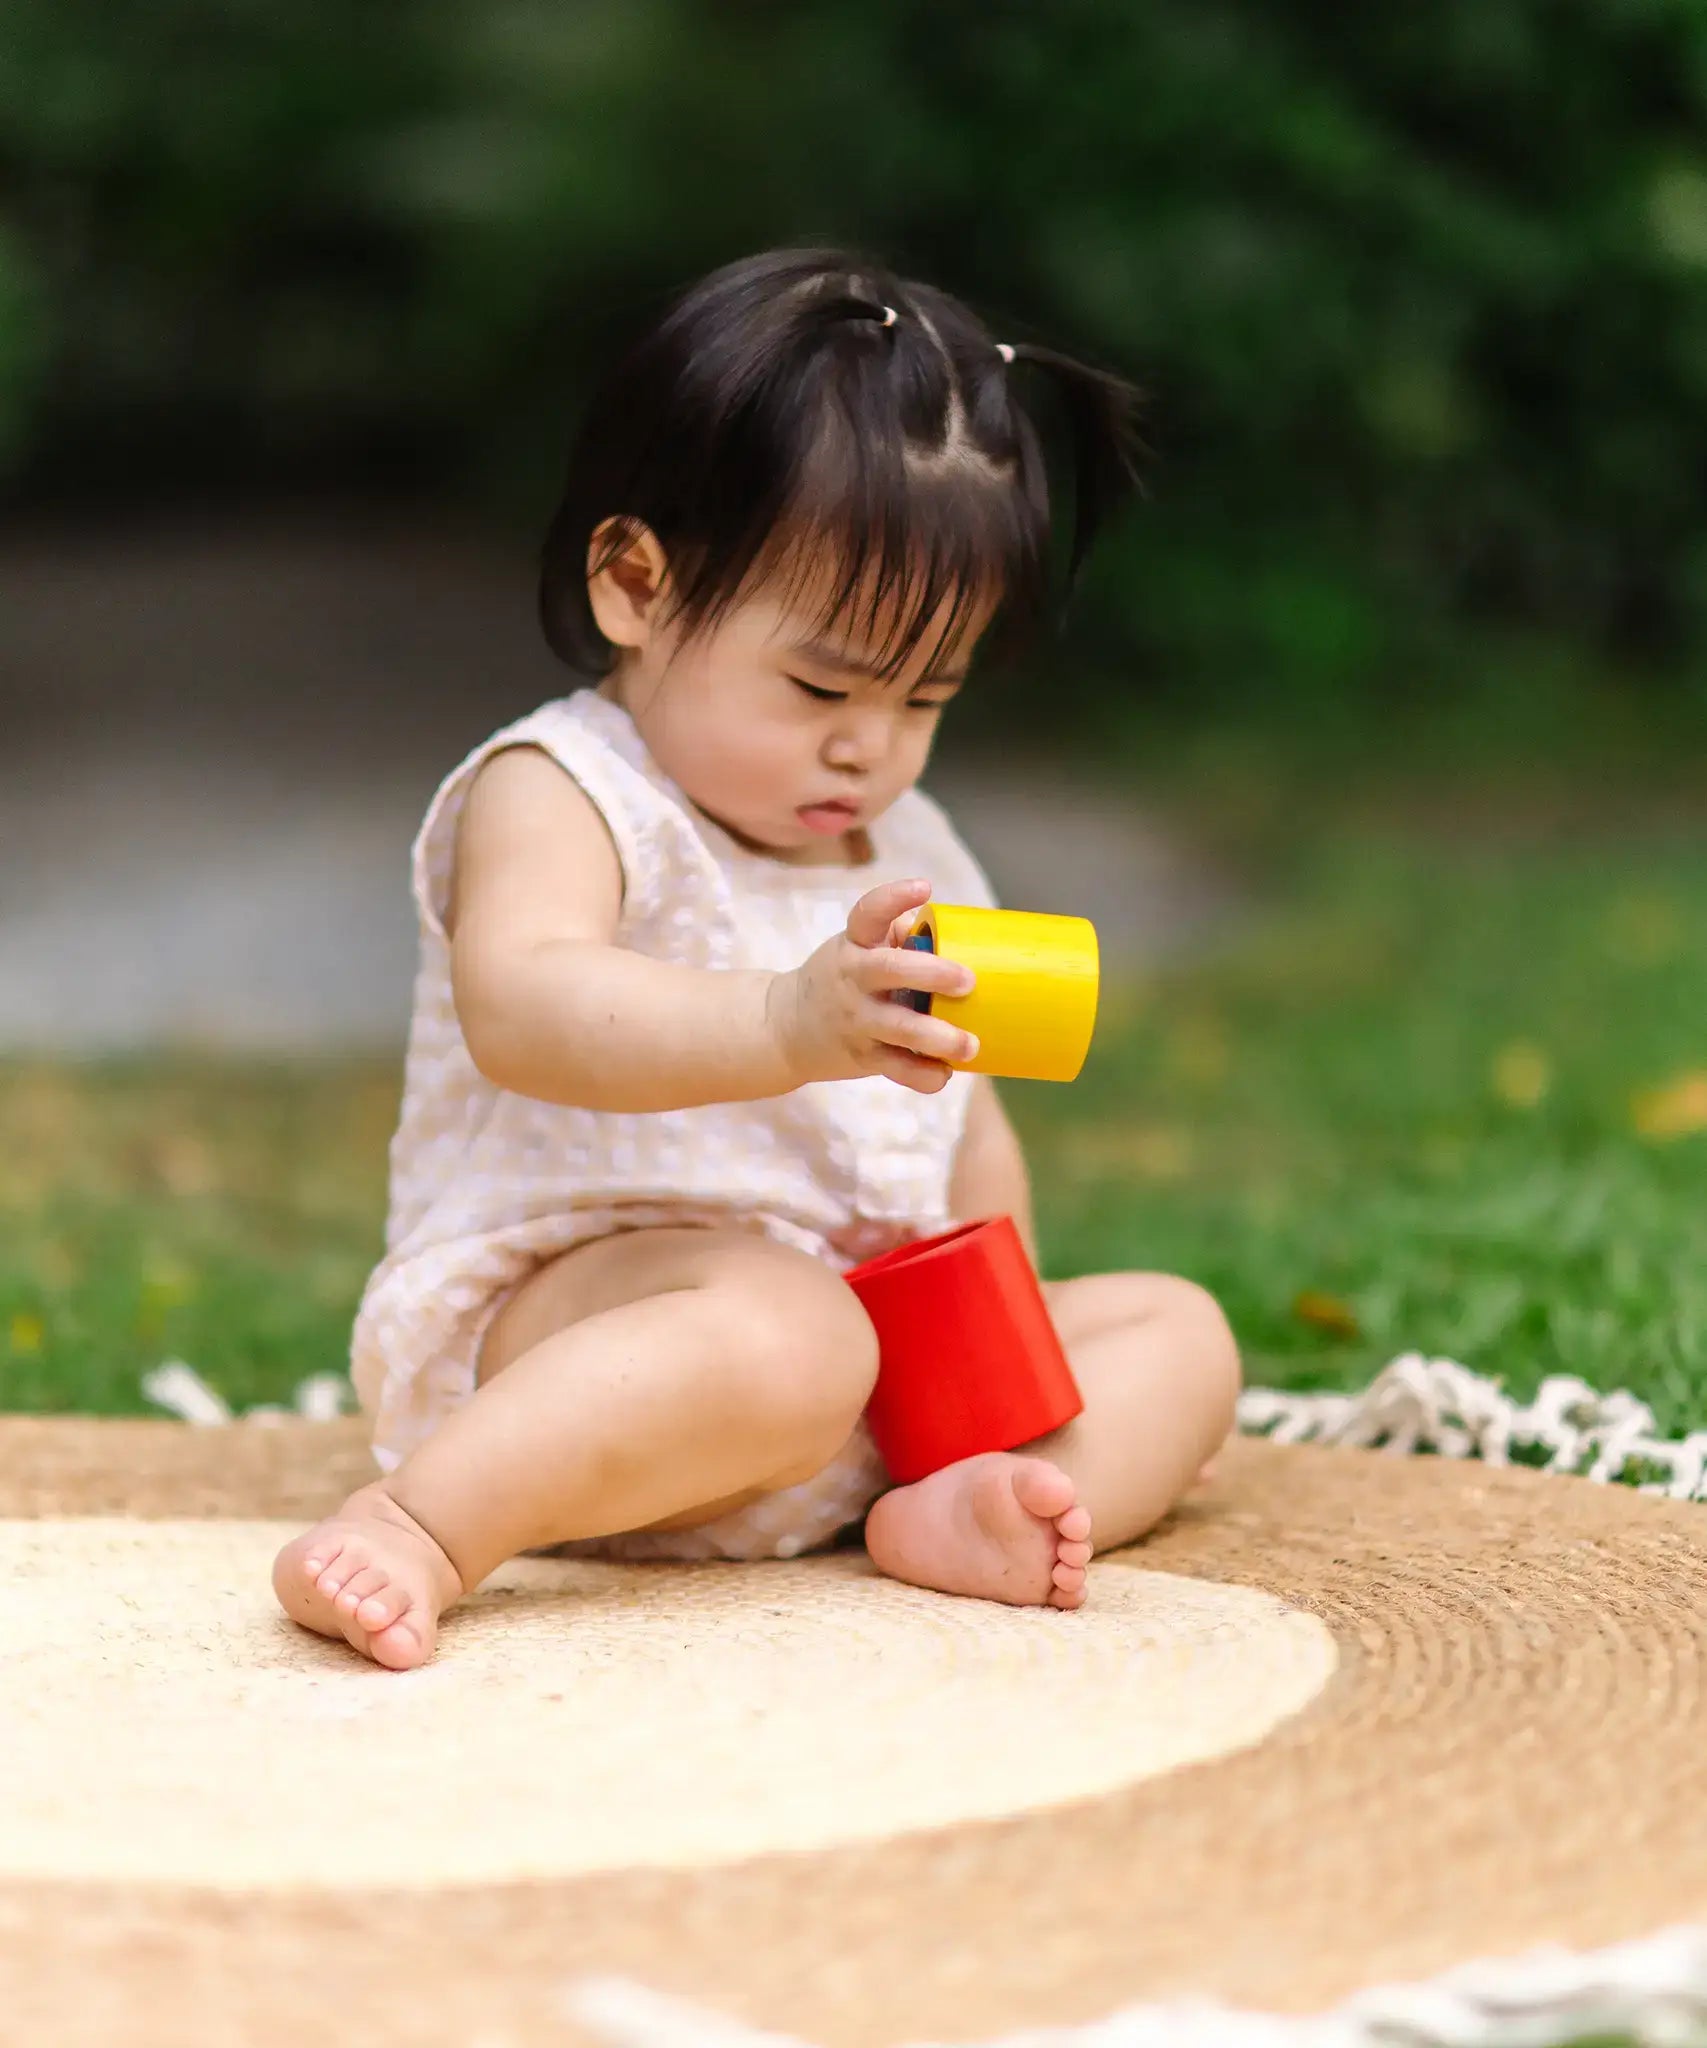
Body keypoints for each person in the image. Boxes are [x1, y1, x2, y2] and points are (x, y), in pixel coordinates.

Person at [272, 247, 1241, 1670]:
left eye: (927, 696)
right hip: (583, 1337)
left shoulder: (906, 842)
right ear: (635, 585)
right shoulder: (568, 790)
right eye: (821, 685)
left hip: (852, 1386)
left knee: (1176, 1332)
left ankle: (968, 1505)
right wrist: (791, 1020)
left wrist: (1003, 1356)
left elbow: (969, 1117)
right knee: (785, 1334)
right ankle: (426, 1522)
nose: (870, 745)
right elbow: (527, 1004)